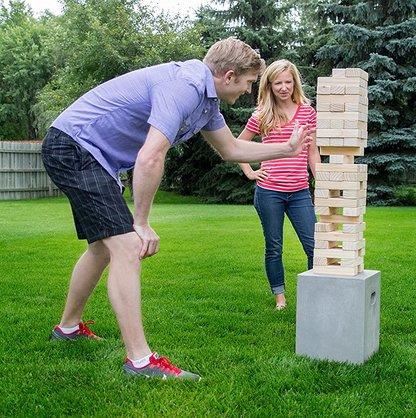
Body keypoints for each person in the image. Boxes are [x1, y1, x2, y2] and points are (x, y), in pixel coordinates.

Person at [42, 38, 313, 379]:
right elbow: (151, 155)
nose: (247, 91)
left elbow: (230, 149)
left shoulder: (206, 102)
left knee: (102, 247)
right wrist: (140, 222)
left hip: (92, 155)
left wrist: (286, 149)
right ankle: (140, 361)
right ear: (229, 76)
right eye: (247, 83)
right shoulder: (184, 86)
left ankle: (67, 327)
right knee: (126, 245)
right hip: (75, 147)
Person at [237, 59, 320, 310]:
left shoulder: (307, 111)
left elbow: (312, 152)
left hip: (299, 192)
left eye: (288, 81)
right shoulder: (262, 114)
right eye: (277, 83)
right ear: (269, 86)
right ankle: (280, 299)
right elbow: (238, 145)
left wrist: (322, 182)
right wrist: (250, 172)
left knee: (314, 246)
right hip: (269, 191)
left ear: (295, 82)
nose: (283, 87)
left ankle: (314, 295)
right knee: (274, 246)